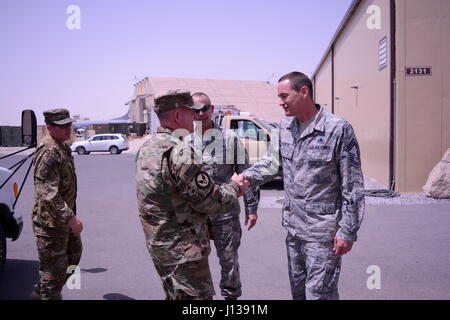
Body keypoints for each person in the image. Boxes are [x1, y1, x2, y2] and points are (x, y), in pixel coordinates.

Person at [240, 72, 365, 300]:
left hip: (323, 233)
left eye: (284, 95)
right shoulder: (284, 127)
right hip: (294, 230)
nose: (280, 102)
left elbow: (353, 185)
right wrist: (245, 178)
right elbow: (270, 164)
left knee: (318, 294)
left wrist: (347, 230)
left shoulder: (338, 129)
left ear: (304, 91)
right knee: (298, 293)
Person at [135, 90, 246, 300]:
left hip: (160, 246)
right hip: (184, 250)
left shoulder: (147, 148)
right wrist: (234, 186)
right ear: (178, 116)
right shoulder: (179, 151)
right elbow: (210, 201)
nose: (196, 116)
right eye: (191, 111)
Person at [185, 92, 260, 300]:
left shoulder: (230, 139)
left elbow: (246, 175)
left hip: (224, 214)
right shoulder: (186, 141)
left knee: (228, 261)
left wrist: (251, 209)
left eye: (204, 109)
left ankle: (231, 298)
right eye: (195, 110)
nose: (200, 114)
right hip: (196, 216)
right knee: (195, 263)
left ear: (212, 109)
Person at [31, 108, 83, 300]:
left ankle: (42, 290)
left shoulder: (61, 147)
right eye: (63, 126)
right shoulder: (49, 151)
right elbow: (47, 193)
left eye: (69, 124)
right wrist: (71, 218)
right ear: (50, 128)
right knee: (53, 272)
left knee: (73, 257)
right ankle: (47, 292)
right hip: (50, 225)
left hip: (62, 222)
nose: (68, 129)